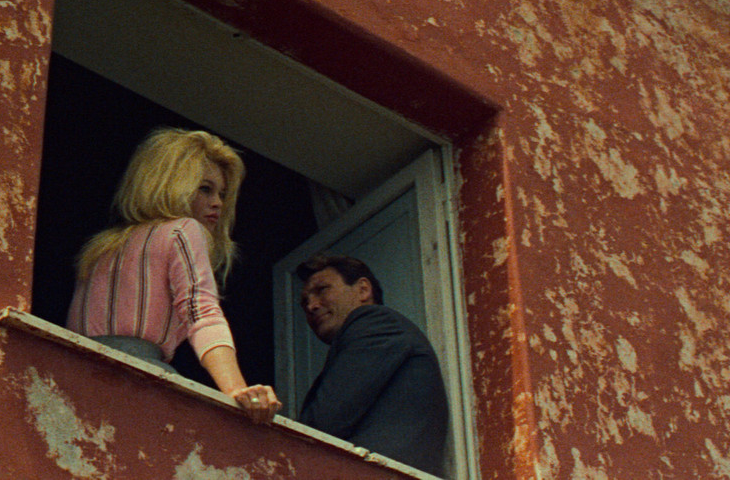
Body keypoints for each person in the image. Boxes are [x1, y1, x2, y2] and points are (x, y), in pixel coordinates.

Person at [66, 128, 280, 424]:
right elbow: (201, 311)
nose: (218, 203)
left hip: (76, 381)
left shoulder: (101, 248)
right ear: (172, 184)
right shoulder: (183, 231)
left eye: (222, 193)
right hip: (138, 378)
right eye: (205, 189)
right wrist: (237, 391)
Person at [295, 255, 448, 475]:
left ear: (363, 290)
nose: (311, 306)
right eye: (305, 302)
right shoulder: (377, 332)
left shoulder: (374, 322)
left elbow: (324, 422)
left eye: (322, 290)